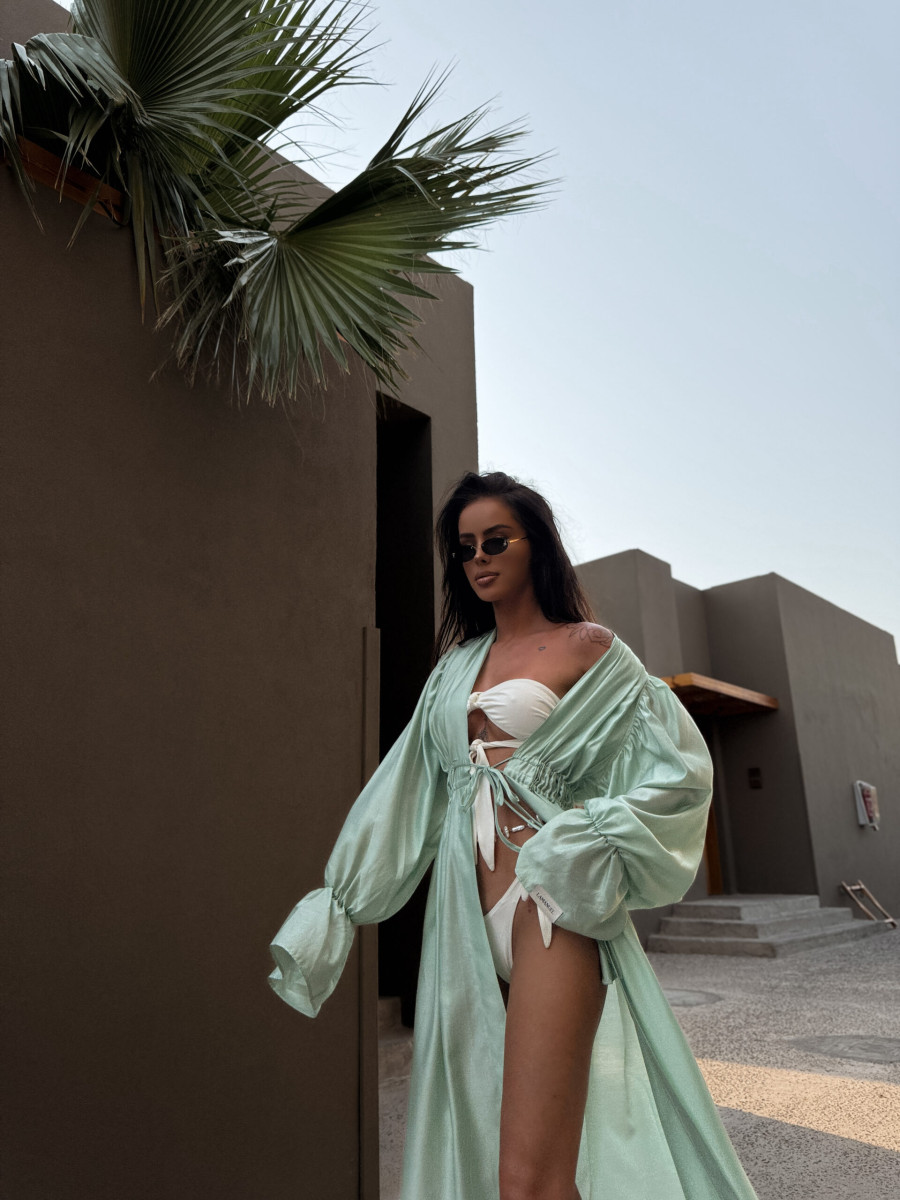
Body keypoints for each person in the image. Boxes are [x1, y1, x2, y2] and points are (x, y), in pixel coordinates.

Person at [269, 471, 759, 1200]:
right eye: (464, 547)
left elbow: (682, 772)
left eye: (496, 541)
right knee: (489, 1156)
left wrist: (589, 837)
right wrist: (340, 904)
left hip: (549, 905)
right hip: (459, 920)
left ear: (537, 546)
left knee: (529, 1181)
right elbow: (404, 791)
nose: (478, 558)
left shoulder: (589, 648)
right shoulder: (453, 670)